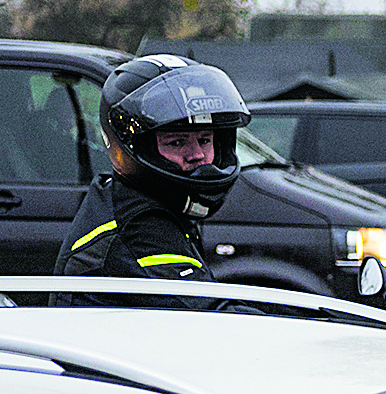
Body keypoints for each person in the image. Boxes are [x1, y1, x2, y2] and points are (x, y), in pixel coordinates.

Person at [56, 55, 250, 295]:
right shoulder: (138, 227)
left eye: (204, 140)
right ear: (136, 147)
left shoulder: (139, 202)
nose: (197, 155)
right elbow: (208, 311)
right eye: (177, 142)